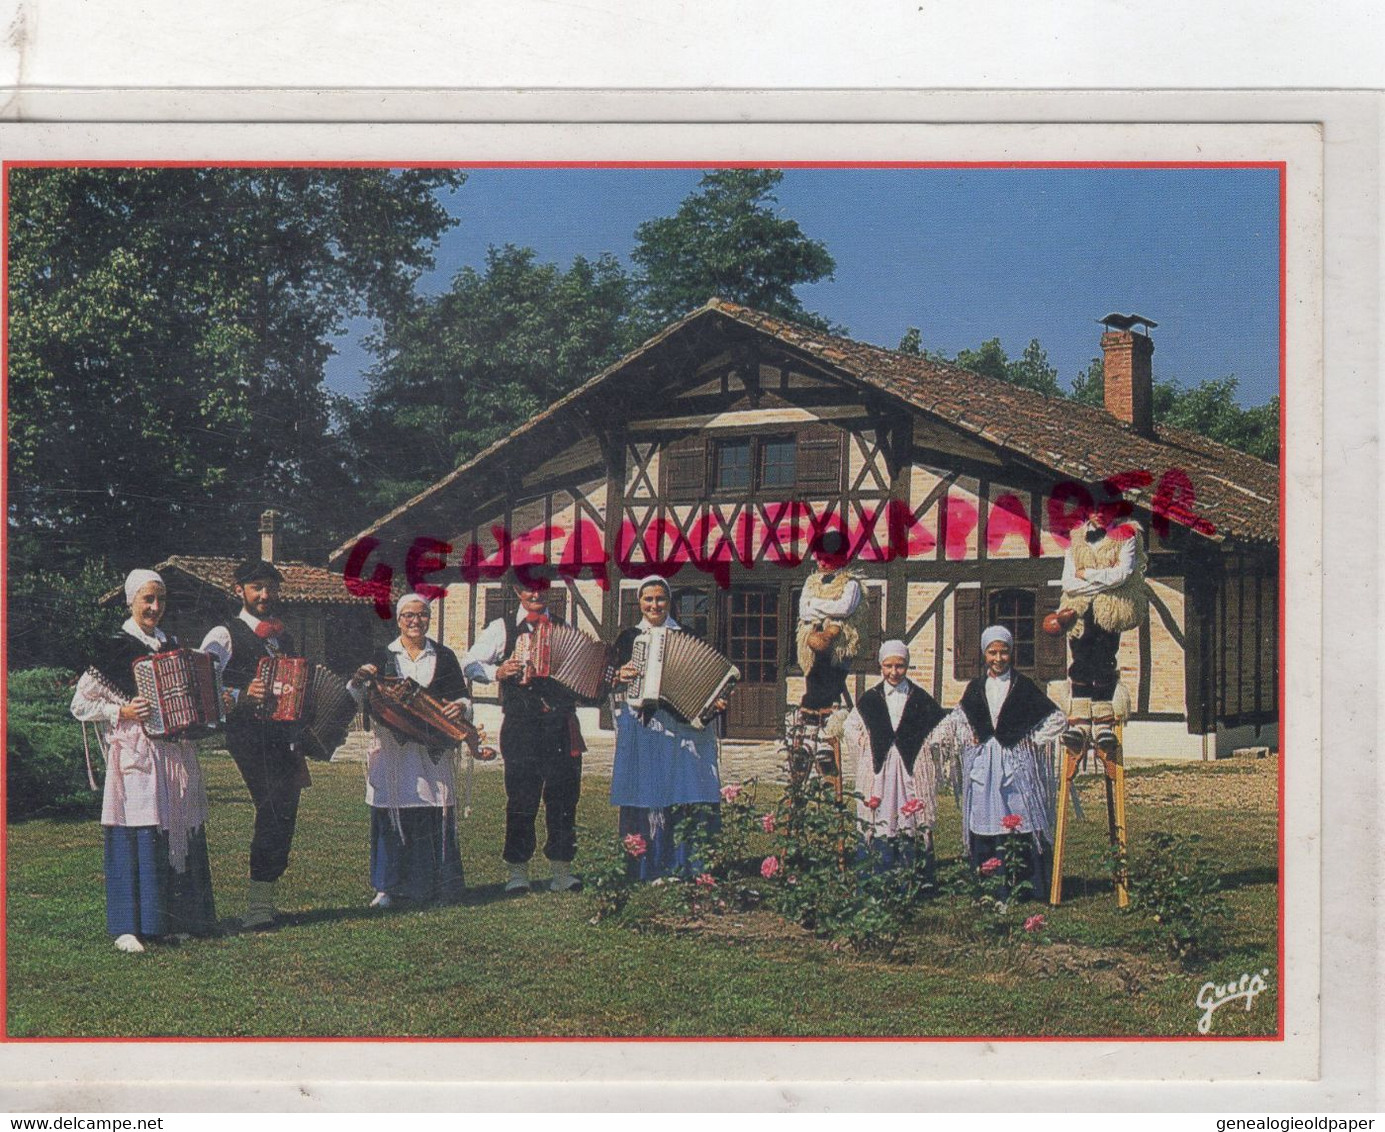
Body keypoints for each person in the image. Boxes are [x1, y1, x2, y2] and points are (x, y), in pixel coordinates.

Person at [70, 569, 218, 951]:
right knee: (136, 828)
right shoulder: (114, 646)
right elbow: (80, 704)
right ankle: (128, 926)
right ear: (131, 600)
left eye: (160, 600)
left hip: (173, 752)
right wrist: (123, 711)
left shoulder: (171, 643)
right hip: (136, 753)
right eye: (147, 599)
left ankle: (172, 920)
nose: (155, 607)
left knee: (174, 829)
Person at [199, 558, 310, 929]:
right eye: (256, 587)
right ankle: (257, 908)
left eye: (269, 588)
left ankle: (265, 900)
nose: (264, 594)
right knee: (272, 804)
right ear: (239, 591)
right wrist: (241, 691)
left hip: (283, 736)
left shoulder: (283, 636)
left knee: (285, 809)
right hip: (248, 735)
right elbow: (201, 681)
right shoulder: (224, 633)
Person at [463, 568, 584, 894]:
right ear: (518, 590)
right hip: (521, 725)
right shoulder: (502, 628)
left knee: (563, 799)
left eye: (542, 588)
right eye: (529, 589)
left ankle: (561, 871)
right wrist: (497, 671)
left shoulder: (564, 628)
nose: (536, 594)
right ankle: (518, 872)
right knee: (521, 798)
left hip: (560, 725)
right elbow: (470, 663)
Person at [349, 593, 473, 908]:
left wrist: (459, 707)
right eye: (408, 616)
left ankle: (435, 885)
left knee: (433, 811)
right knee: (391, 812)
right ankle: (386, 888)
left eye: (421, 615)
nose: (415, 621)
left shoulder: (444, 656)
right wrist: (358, 679)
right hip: (393, 751)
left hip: (432, 752)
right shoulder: (382, 654)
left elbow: (462, 696)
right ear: (399, 619)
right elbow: (357, 693)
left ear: (429, 619)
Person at [931, 625, 1068, 902]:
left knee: (1020, 817)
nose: (998, 658)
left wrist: (1033, 738)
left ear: (1011, 653)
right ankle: (990, 886)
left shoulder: (1023, 686)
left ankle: (1027, 886)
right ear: (984, 654)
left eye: (1003, 652)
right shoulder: (976, 688)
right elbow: (959, 718)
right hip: (984, 764)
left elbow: (1057, 718)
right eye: (992, 652)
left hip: (1015, 763)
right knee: (985, 819)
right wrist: (951, 737)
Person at [609, 576, 728, 881]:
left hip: (680, 726)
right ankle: (645, 866)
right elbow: (608, 676)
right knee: (645, 791)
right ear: (640, 602)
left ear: (669, 601)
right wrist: (620, 675)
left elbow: (708, 678)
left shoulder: (686, 634)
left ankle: (683, 865)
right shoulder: (628, 638)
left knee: (681, 790)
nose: (654, 605)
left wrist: (714, 703)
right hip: (643, 725)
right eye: (648, 599)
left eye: (660, 599)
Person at [841, 640, 946, 873]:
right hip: (881, 770)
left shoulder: (919, 697)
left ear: (906, 666)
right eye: (888, 666)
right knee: (880, 814)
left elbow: (940, 727)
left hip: (911, 769)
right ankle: (877, 871)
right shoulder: (871, 698)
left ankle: (914, 874)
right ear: (881, 666)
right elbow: (851, 726)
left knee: (911, 816)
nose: (894, 672)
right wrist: (863, 742)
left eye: (899, 666)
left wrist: (932, 745)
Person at [1057, 512, 1148, 754]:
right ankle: (1080, 722)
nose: (1099, 514)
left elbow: (1122, 574)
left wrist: (1086, 575)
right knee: (1080, 657)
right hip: (1079, 607)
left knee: (1104, 657)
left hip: (1110, 607)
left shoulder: (1127, 534)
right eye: (1094, 508)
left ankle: (1103, 722)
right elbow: (1068, 582)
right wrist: (1101, 580)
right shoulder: (1077, 537)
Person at [795, 530, 868, 712]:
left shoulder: (850, 583)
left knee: (831, 678)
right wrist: (830, 607)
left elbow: (844, 609)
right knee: (812, 675)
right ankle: (812, 711)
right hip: (812, 640)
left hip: (838, 643)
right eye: (819, 558)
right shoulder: (811, 582)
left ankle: (825, 711)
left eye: (827, 559)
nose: (821, 563)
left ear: (841, 559)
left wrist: (815, 604)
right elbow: (804, 611)